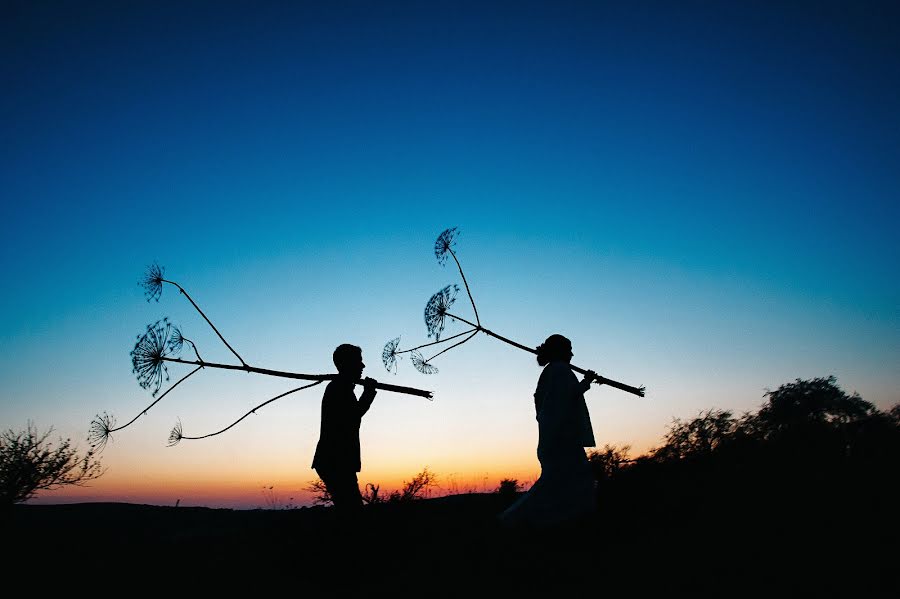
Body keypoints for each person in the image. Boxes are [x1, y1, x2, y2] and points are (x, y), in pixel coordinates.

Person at [499, 334, 599, 529]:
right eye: (568, 349)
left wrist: (585, 382)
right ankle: (516, 521)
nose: (572, 353)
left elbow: (558, 399)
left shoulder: (551, 371)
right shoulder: (560, 370)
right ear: (560, 351)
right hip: (563, 440)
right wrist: (586, 382)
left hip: (555, 440)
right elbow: (568, 397)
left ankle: (534, 521)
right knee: (568, 483)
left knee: (560, 483)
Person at [312, 343, 378, 513]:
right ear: (347, 364)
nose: (363, 366)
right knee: (352, 512)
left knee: (349, 510)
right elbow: (352, 418)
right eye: (358, 361)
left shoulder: (343, 387)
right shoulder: (338, 388)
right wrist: (369, 393)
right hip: (335, 460)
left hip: (336, 460)